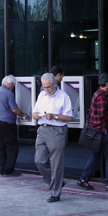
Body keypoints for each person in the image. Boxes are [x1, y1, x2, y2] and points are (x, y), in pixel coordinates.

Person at [32, 72, 72, 202]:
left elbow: (69, 117)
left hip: (56, 130)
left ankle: (55, 192)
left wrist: (54, 116)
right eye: (44, 87)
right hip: (42, 129)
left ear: (55, 83)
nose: (46, 89)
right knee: (39, 160)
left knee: (56, 163)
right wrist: (35, 115)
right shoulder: (42, 95)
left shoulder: (63, 96)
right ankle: (55, 182)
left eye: (48, 86)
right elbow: (34, 112)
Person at [0, 75, 29, 176]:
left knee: (1, 147)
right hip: (6, 124)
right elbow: (14, 110)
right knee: (12, 147)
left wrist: (0, 112)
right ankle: (9, 170)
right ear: (11, 84)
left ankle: (3, 169)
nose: (13, 87)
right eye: (14, 85)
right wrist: (24, 115)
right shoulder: (8, 93)